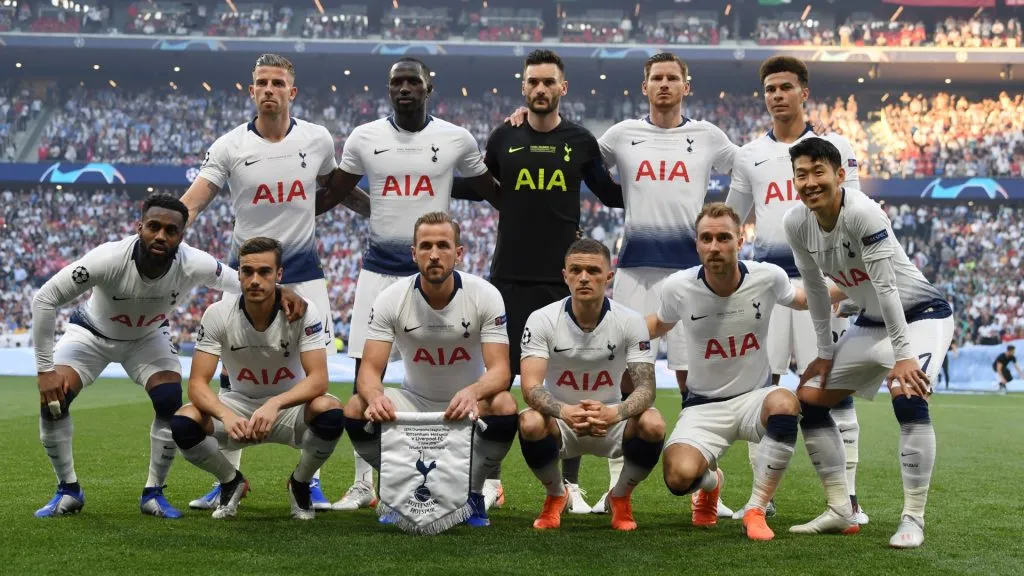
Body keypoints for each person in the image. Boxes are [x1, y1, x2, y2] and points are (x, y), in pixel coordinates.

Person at [30, 194, 305, 518]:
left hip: (148, 337)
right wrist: (45, 370)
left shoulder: (194, 263)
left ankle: (153, 493)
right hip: (91, 334)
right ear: (140, 228)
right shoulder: (107, 258)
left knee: (169, 399)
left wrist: (284, 290)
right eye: (153, 227)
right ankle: (68, 490)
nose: (161, 235)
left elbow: (243, 282)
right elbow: (45, 298)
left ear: (181, 235)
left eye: (170, 230)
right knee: (54, 403)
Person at [181, 53, 369, 510]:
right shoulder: (229, 146)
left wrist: (384, 212)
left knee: (312, 379)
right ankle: (228, 476)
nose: (269, 89)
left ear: (292, 91)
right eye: (261, 82)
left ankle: (312, 477)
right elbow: (197, 199)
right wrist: (162, 230)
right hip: (246, 273)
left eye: (277, 82)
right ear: (251, 91)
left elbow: (337, 191)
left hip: (303, 274)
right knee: (234, 373)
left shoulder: (317, 138)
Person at [316, 57, 499, 511]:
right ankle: (365, 483)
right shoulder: (364, 137)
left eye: (412, 82)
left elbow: (495, 192)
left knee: (477, 378)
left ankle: (485, 480)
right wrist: (371, 209)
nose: (404, 89)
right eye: (396, 82)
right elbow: (337, 192)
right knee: (365, 378)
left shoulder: (455, 138)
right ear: (388, 88)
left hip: (435, 276)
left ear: (428, 87)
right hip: (379, 272)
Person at [457, 48, 626, 513]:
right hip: (508, 279)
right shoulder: (502, 138)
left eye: (549, 82)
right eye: (533, 82)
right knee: (499, 382)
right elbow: (475, 186)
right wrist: (419, 179)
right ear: (524, 87)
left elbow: (612, 196)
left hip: (563, 284)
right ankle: (490, 479)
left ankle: (567, 482)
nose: (540, 89)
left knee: (564, 384)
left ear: (562, 88)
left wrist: (659, 177)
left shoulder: (581, 141)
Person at [588, 51, 740, 516]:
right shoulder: (622, 135)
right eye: (657, 78)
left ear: (686, 86)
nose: (665, 85)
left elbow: (750, 169)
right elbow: (575, 156)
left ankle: (706, 482)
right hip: (634, 272)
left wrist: (733, 223)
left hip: (692, 278)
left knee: (697, 383)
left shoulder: (709, 137)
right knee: (624, 382)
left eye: (673, 78)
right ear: (645, 86)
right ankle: (618, 491)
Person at [784, 137, 954, 548]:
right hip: (871, 321)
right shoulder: (795, 223)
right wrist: (824, 355)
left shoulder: (862, 211)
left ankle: (913, 517)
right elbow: (818, 292)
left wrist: (904, 356)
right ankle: (842, 509)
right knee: (809, 398)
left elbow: (887, 286)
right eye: (800, 175)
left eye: (818, 172)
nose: (809, 182)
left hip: (923, 316)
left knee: (908, 396)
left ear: (841, 175)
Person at [725, 56, 867, 525]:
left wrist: (847, 280)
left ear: (804, 92)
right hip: (765, 286)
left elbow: (855, 212)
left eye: (786, 87)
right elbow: (730, 220)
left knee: (833, 388)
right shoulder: (749, 155)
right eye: (770, 89)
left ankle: (846, 500)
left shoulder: (835, 147)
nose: (777, 95)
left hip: (822, 285)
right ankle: (761, 498)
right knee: (760, 390)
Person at [652, 203, 844, 540]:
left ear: (740, 240)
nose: (715, 247)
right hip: (703, 407)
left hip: (756, 398)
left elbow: (804, 299)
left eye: (723, 237)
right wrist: (604, 328)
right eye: (706, 238)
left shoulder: (767, 277)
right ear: (696, 243)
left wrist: (855, 283)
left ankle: (756, 508)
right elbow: (656, 325)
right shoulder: (677, 287)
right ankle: (711, 483)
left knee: (786, 401)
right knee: (678, 478)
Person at [343, 212, 518, 528]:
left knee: (505, 403)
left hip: (467, 406)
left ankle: (474, 491)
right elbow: (369, 370)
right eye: (425, 246)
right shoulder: (390, 298)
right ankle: (400, 490)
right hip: (415, 404)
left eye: (443, 245)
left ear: (459, 252)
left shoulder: (485, 295)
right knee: (357, 406)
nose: (434, 254)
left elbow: (501, 371)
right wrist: (375, 396)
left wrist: (473, 391)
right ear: (414, 253)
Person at [171, 237, 342, 520]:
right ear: (237, 273)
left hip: (289, 409)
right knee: (183, 422)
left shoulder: (303, 311)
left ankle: (300, 483)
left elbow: (319, 380)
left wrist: (275, 404)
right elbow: (197, 385)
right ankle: (230, 480)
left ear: (279, 275)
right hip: (239, 406)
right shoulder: (217, 314)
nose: (254, 280)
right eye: (247, 271)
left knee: (331, 411)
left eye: (264, 272)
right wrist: (225, 415)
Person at [518, 238, 665, 532]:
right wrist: (565, 411)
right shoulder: (542, 319)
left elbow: (646, 389)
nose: (584, 277)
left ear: (608, 277)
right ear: (565, 276)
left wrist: (616, 413)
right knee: (529, 421)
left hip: (610, 420)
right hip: (561, 421)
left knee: (654, 423)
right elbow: (531, 387)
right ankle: (556, 495)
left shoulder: (630, 321)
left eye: (593, 271)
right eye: (576, 270)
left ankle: (620, 496)